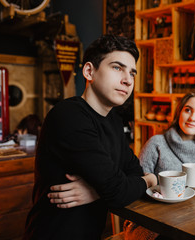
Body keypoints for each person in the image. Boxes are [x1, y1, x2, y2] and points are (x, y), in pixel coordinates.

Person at [47, 90, 195, 239]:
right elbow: (133, 183)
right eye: (188, 110)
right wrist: (100, 192)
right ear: (179, 112)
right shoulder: (157, 143)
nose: (192, 118)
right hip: (153, 227)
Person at [23, 34, 157, 240]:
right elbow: (120, 189)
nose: (128, 80)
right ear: (89, 71)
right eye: (117, 68)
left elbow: (133, 172)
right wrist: (148, 180)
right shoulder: (69, 115)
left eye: (132, 73)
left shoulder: (113, 120)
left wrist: (99, 191)